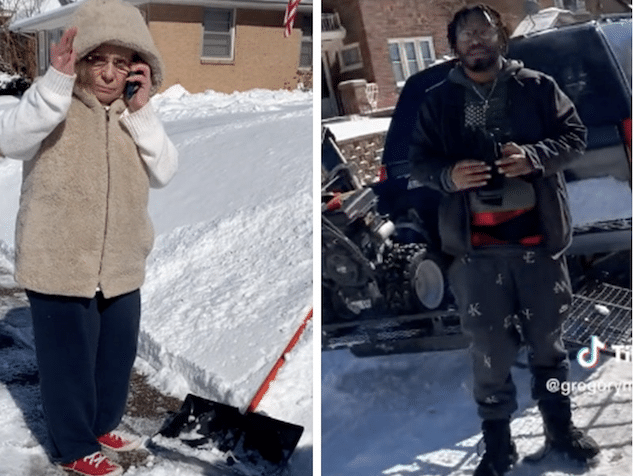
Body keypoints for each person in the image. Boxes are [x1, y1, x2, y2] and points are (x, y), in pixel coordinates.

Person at [408, 4, 599, 476]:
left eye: (484, 31)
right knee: (488, 352)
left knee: (549, 346)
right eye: (466, 34)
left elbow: (575, 137)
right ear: (453, 45)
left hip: (538, 244)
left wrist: (535, 155)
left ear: (501, 38)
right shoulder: (438, 101)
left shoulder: (536, 87)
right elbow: (418, 164)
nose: (476, 39)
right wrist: (449, 174)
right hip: (477, 255)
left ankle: (560, 428)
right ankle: (498, 444)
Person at [3, 0, 178, 474]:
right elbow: (11, 140)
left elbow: (164, 171)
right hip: (59, 261)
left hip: (120, 260)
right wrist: (55, 83)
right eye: (98, 60)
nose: (108, 74)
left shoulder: (132, 115)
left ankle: (102, 423)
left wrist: (141, 112)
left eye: (121, 64)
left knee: (114, 357)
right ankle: (74, 446)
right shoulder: (53, 102)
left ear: (136, 70)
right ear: (80, 60)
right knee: (68, 366)